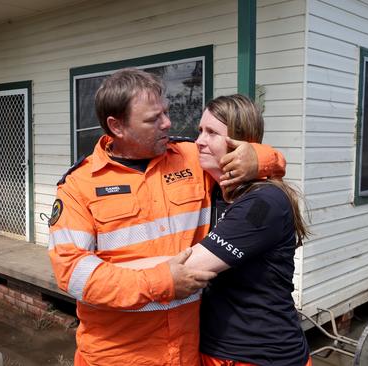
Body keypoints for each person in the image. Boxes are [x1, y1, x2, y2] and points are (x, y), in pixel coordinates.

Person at [47, 69, 286, 366]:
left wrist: (261, 158)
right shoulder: (78, 186)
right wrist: (162, 280)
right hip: (119, 355)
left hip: (187, 350)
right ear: (116, 126)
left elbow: (247, 157)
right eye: (152, 119)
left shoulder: (189, 156)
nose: (167, 123)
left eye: (166, 112)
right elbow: (73, 273)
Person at [187, 94, 311, 366]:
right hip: (216, 347)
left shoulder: (263, 203)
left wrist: (111, 272)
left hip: (260, 354)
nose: (198, 141)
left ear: (240, 143)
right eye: (199, 131)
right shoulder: (216, 191)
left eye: (211, 132)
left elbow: (191, 266)